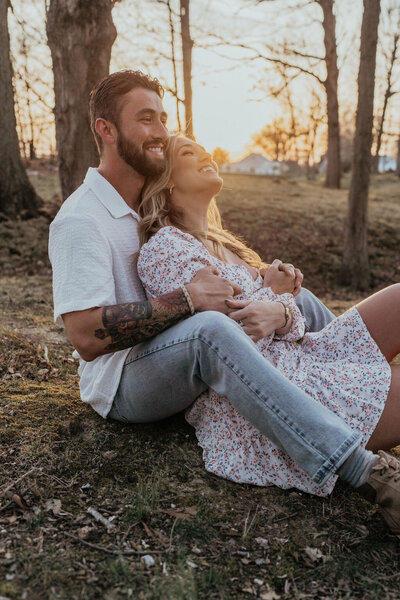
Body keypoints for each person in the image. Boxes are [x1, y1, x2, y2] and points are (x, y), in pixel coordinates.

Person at [48, 70, 400, 536]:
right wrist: (188, 299)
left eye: (162, 119)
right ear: (105, 129)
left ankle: (343, 381)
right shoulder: (81, 218)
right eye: (145, 119)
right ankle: (361, 469)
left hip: (186, 350)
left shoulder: (143, 206)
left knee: (299, 304)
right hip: (123, 380)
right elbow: (85, 336)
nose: (159, 132)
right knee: (209, 331)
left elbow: (214, 272)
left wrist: (265, 284)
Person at [136, 133, 400, 531]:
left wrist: (280, 306)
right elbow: (227, 330)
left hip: (302, 356)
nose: (206, 153)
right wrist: (275, 298)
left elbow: (283, 321)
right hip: (270, 391)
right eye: (188, 153)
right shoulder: (165, 248)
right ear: (168, 181)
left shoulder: (227, 249)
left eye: (203, 147)